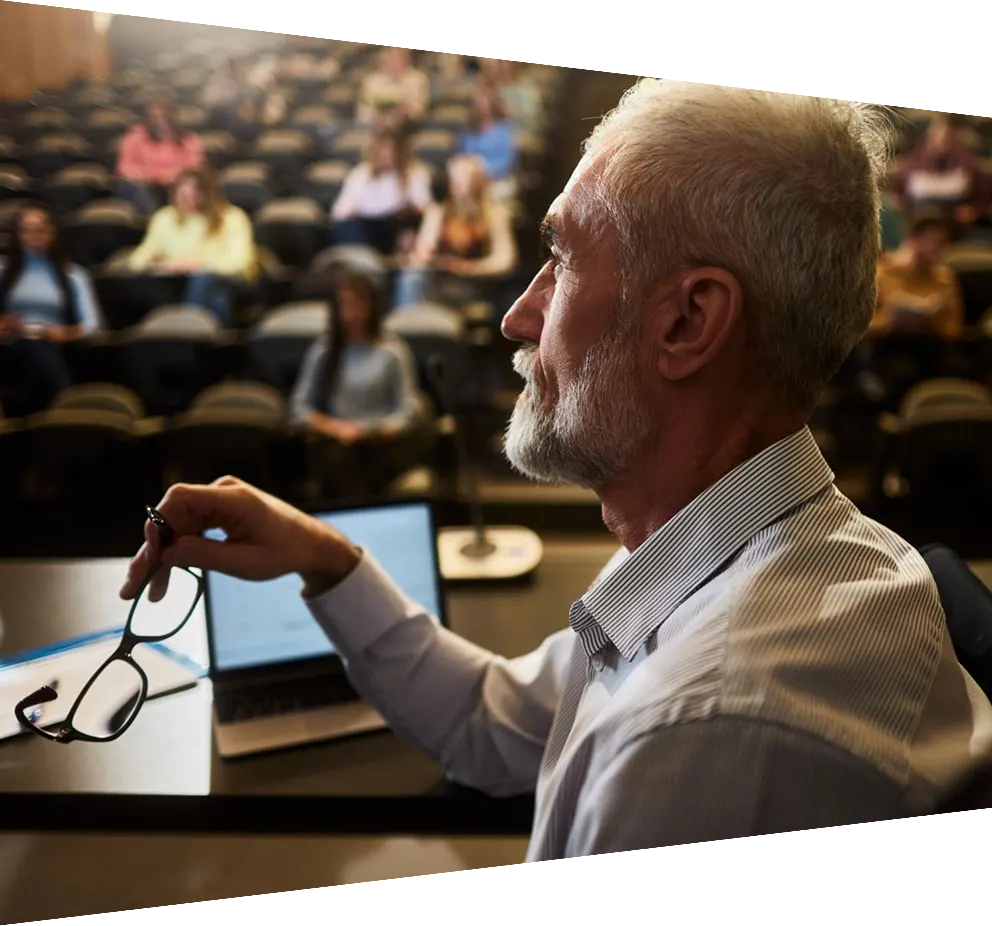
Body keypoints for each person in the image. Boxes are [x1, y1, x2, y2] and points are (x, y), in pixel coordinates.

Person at [121, 81, 992, 862]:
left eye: (563, 258)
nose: (515, 316)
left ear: (688, 322)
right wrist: (323, 556)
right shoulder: (716, 537)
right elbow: (493, 724)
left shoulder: (702, 738)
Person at [288, 266, 429, 496]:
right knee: (332, 458)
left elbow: (406, 413)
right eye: (346, 304)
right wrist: (334, 428)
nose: (352, 312)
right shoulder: (324, 351)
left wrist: (368, 431)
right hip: (335, 439)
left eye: (359, 303)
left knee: (348, 462)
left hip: (379, 444)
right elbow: (299, 408)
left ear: (372, 306)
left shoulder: (392, 351)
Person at [0, 203, 102, 416]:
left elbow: (93, 325)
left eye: (39, 230)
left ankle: (56, 412)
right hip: (9, 345)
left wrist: (66, 332)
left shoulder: (73, 275)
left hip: (52, 343)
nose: (32, 236)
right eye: (26, 230)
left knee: (38, 351)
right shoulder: (3, 269)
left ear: (51, 233)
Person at [128, 168, 257, 325]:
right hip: (180, 278)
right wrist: (161, 264)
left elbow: (239, 263)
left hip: (227, 279)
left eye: (196, 195)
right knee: (157, 284)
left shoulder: (232, 218)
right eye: (183, 195)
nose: (190, 200)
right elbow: (137, 260)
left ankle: (190, 329)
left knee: (206, 282)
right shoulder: (165, 217)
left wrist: (199, 264)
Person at [393, 154, 517, 309]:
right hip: (441, 279)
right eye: (455, 178)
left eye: (465, 178)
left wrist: (469, 268)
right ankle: (406, 324)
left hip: (475, 283)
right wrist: (426, 255)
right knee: (412, 278)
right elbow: (424, 250)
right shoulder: (438, 212)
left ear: (479, 181)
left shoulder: (495, 214)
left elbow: (505, 261)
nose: (458, 184)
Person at [330, 127, 433, 255]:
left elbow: (426, 207)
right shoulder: (361, 173)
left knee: (409, 229)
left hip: (398, 225)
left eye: (392, 149)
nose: (387, 154)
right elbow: (339, 211)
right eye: (383, 149)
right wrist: (353, 211)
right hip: (366, 226)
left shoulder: (415, 173)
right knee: (348, 227)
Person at [871, 214, 965, 340]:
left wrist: (933, 321)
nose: (936, 250)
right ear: (913, 241)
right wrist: (890, 321)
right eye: (931, 241)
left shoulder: (945, 277)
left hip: (933, 345)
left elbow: (954, 328)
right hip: (888, 344)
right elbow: (862, 327)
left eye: (942, 244)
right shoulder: (883, 273)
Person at [890, 119, 987, 233]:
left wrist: (974, 211)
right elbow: (897, 197)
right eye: (938, 137)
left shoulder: (969, 164)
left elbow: (983, 196)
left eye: (947, 137)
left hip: (957, 226)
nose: (942, 141)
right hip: (920, 225)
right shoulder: (911, 165)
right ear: (928, 139)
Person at [115, 98, 205, 216]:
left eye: (164, 116)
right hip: (144, 185)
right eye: (154, 117)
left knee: (191, 184)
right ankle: (153, 220)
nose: (160, 121)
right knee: (131, 186)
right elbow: (125, 168)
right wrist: (153, 176)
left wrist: (167, 176)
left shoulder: (188, 138)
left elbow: (194, 165)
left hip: (175, 183)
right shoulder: (134, 137)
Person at [456, 82, 518, 200]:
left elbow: (508, 162)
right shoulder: (468, 130)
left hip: (497, 180)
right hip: (470, 181)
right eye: (479, 102)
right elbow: (461, 156)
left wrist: (482, 172)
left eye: (485, 101)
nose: (482, 106)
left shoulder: (505, 130)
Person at [356, 46, 431, 126]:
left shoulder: (418, 79)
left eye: (396, 59)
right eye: (388, 60)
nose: (392, 63)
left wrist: (405, 110)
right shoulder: (371, 81)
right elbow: (364, 113)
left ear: (406, 60)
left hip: (408, 127)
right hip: (374, 126)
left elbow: (419, 110)